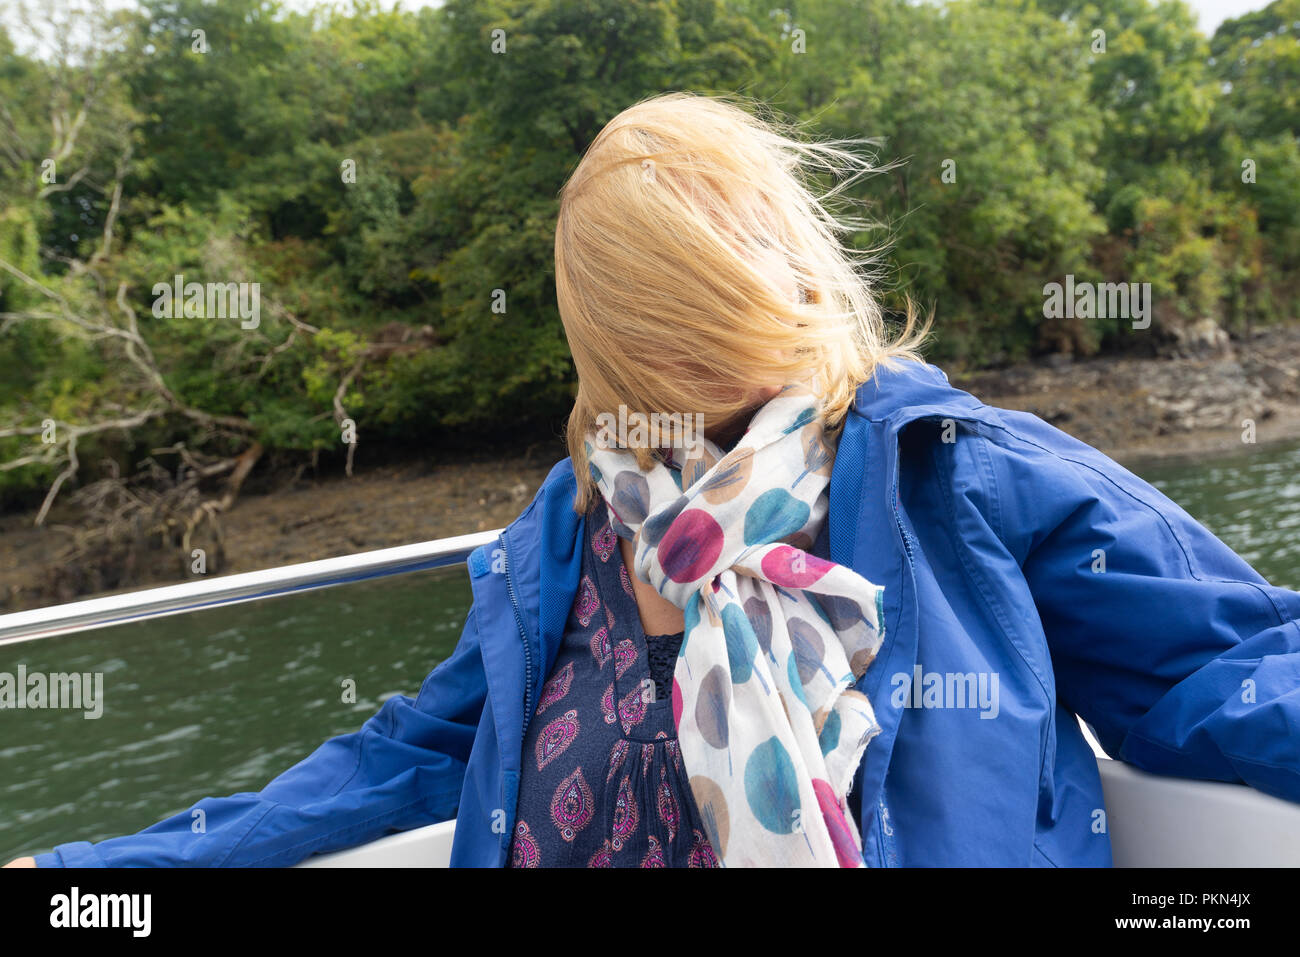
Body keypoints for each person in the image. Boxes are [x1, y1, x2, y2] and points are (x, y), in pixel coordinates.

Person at [9, 91, 1300, 868]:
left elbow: (1214, 660)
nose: (678, 363)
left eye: (700, 307)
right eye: (643, 324)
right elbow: (417, 745)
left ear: (786, 278)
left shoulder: (953, 471)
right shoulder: (571, 524)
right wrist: (98, 870)